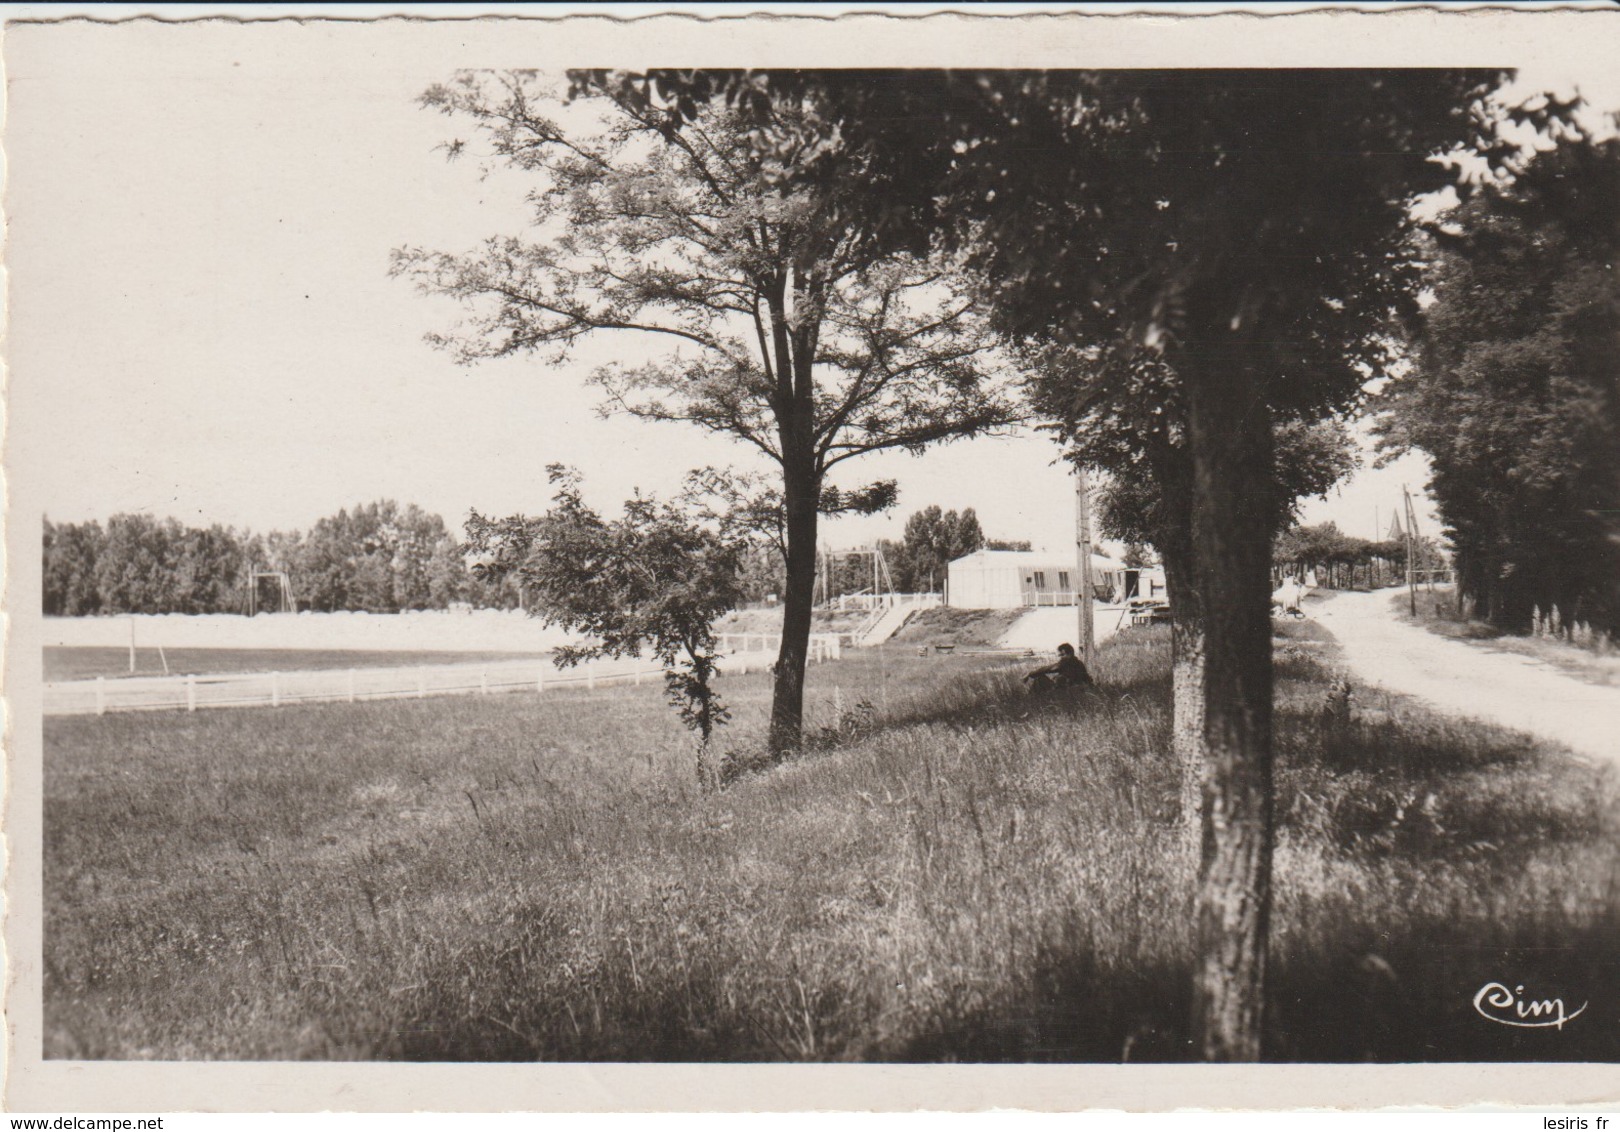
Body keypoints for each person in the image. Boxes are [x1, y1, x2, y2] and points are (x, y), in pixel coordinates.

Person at [1023, 642, 1093, 697]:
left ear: (1070, 654)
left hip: (1064, 693)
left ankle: (1029, 700)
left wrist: (1030, 674)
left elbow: (1048, 669)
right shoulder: (1079, 663)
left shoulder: (1065, 662)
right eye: (1060, 655)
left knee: (1039, 679)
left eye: (1063, 655)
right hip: (1074, 692)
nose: (1061, 658)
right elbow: (1087, 679)